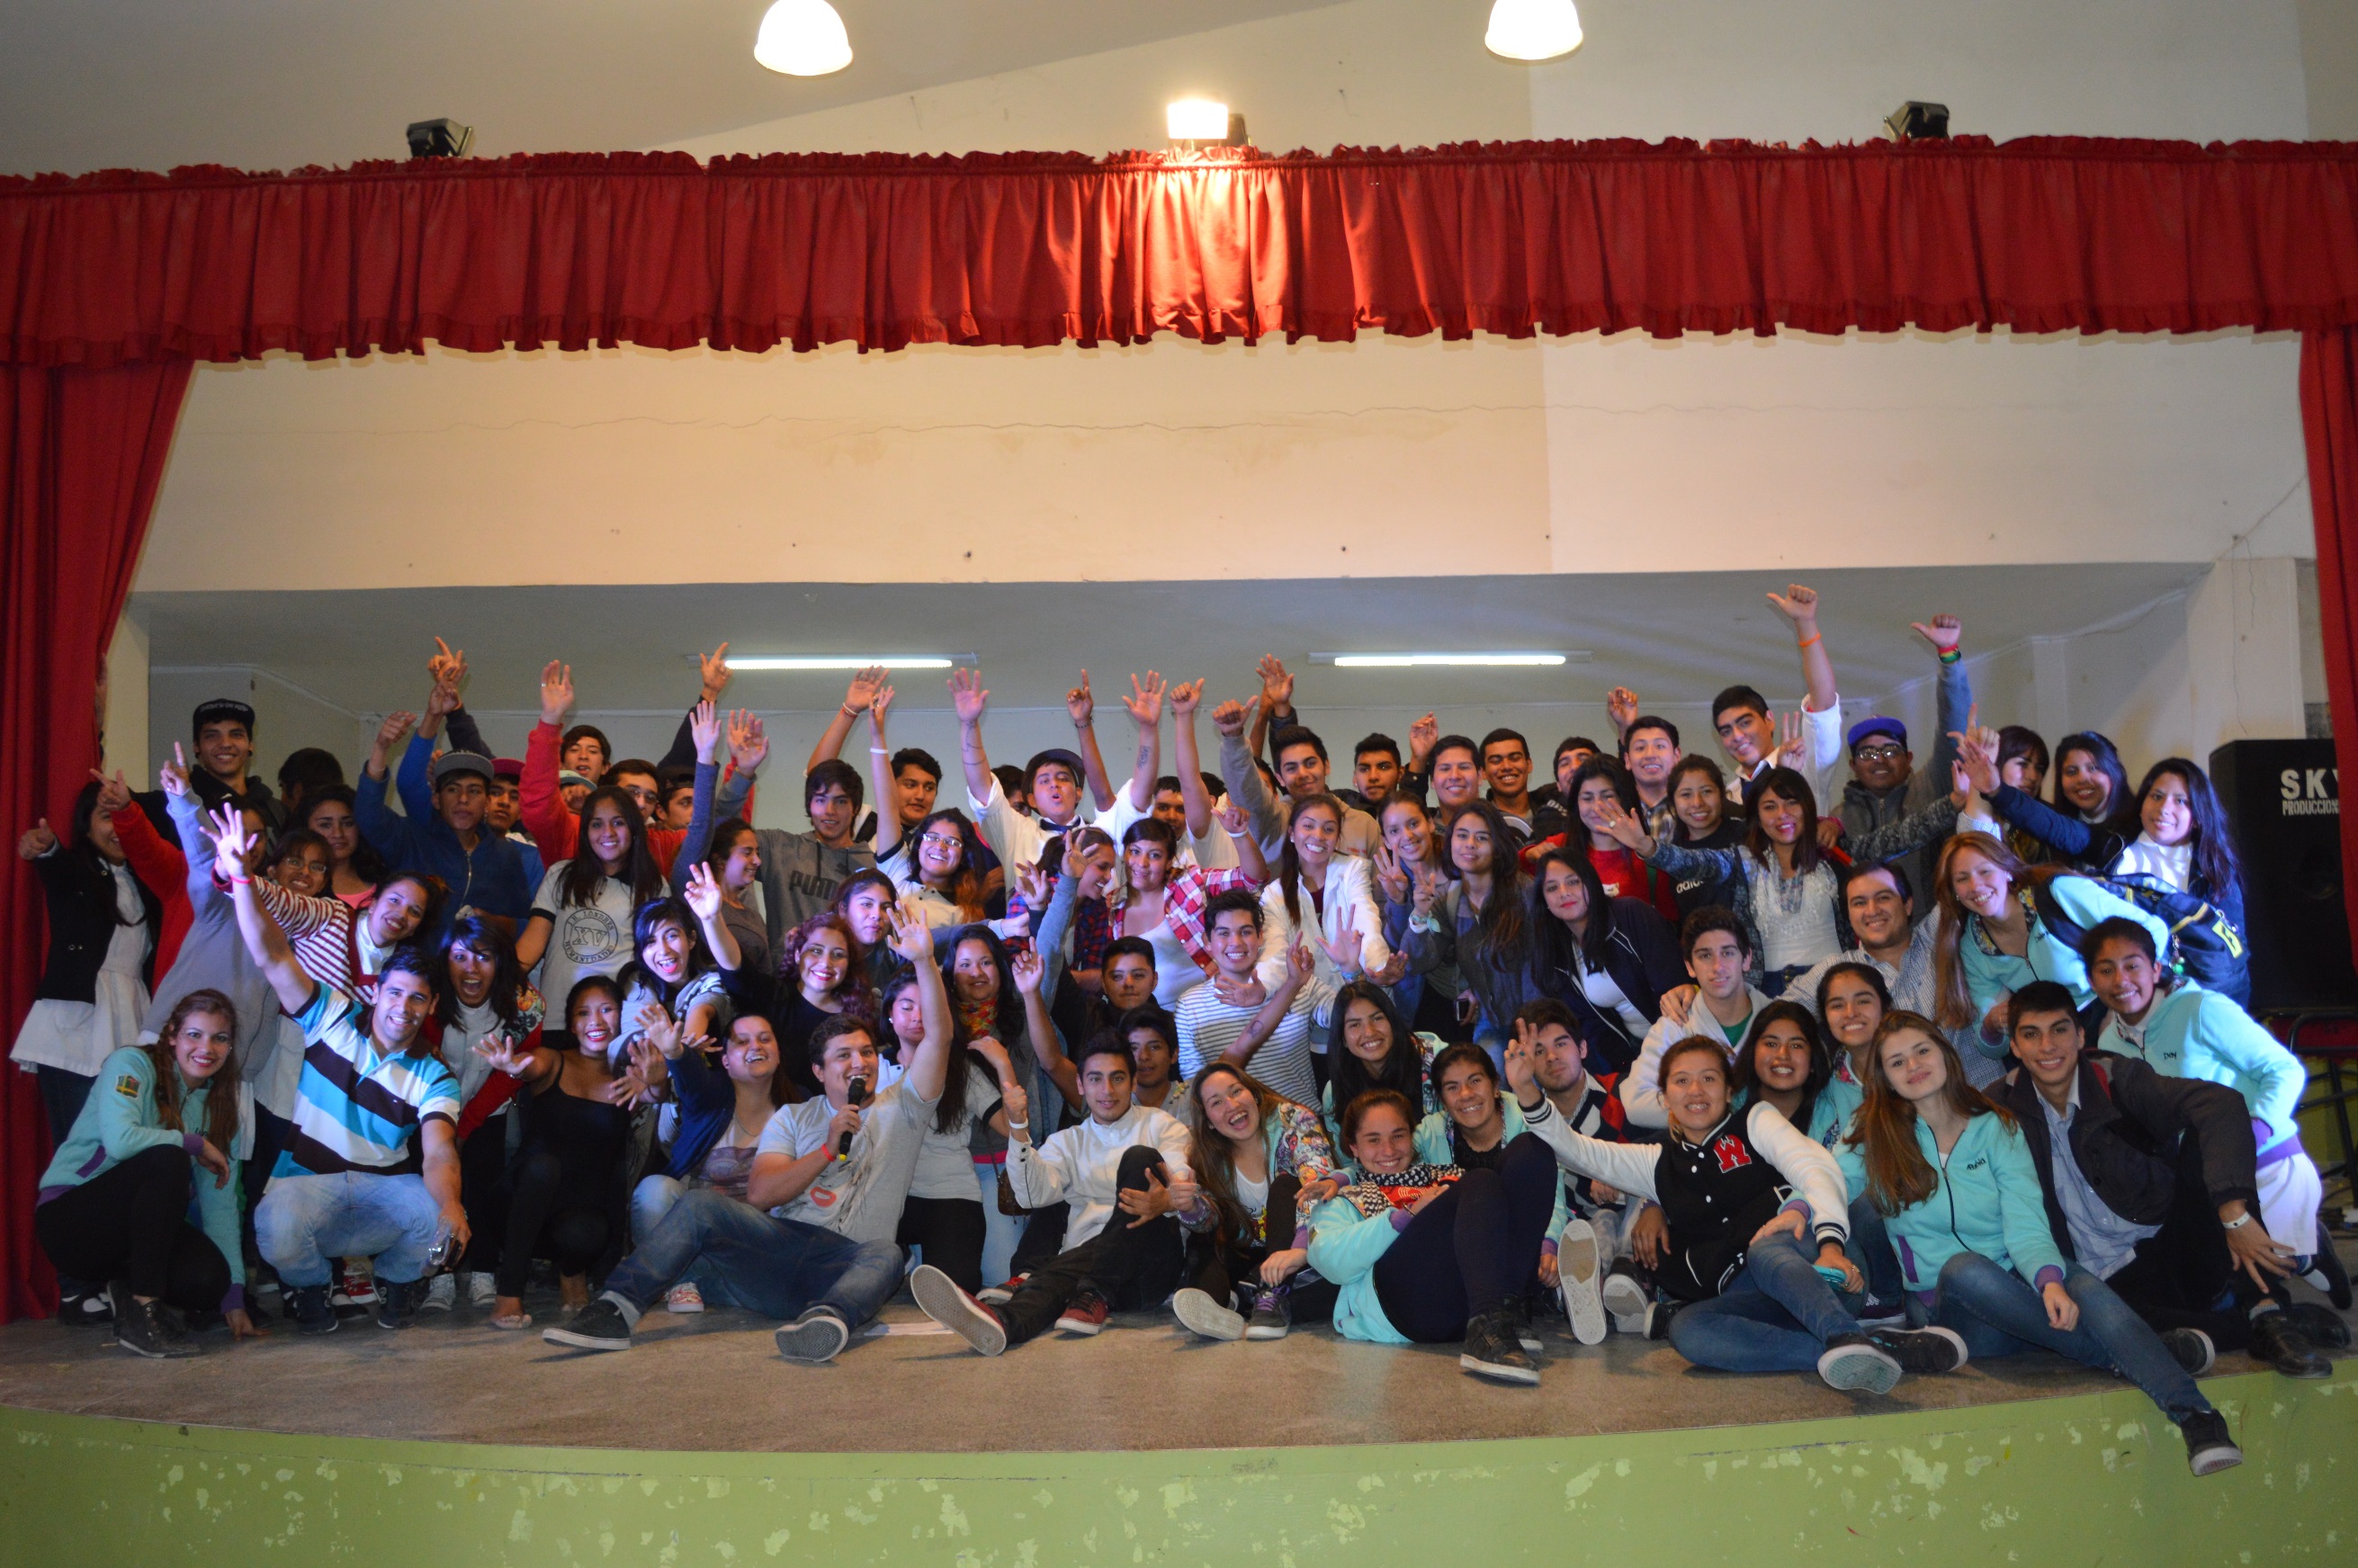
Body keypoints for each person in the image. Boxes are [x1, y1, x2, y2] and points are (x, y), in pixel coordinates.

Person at [1836, 1012, 2244, 1476]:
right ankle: (2139, 1355)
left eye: (1922, 1051)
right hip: (1952, 1315)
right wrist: (1799, 1214)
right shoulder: (1873, 1134)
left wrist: (2049, 1280)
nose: (1913, 1066)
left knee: (2081, 1286)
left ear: (1945, 1053)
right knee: (1963, 1267)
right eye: (1897, 1062)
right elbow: (1826, 1182)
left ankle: (2198, 1416)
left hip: (2018, 1282)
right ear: (1884, 1077)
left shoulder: (1997, 1126)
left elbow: (2027, 1222)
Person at [1510, 1034, 1943, 1393]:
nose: (1696, 1091)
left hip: (1822, 1270)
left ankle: (1842, 1332)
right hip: (1758, 1300)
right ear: (1665, 1097)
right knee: (1688, 1329)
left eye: (1709, 1079)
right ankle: (1863, 1349)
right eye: (1682, 1081)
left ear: (1729, 1090)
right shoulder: (1656, 1162)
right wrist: (1528, 1093)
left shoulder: (1756, 1120)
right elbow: (1578, 1152)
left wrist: (1830, 1243)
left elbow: (1814, 1165)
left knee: (1764, 1250)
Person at [1994, 981, 2345, 1377]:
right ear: (2015, 1046)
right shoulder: (1998, 1112)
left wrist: (2234, 1215)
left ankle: (2265, 1307)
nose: (2047, 1047)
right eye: (2031, 1035)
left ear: (2080, 1035)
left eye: (2059, 1030)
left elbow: (2221, 1104)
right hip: (2104, 1277)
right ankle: (2272, 1322)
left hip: (2173, 1243)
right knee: (2108, 1330)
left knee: (2204, 1136)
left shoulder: (2115, 1077)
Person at [220, 808, 468, 1335]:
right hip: (310, 1184)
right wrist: (241, 878)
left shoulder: (434, 1072)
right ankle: (310, 1287)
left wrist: (453, 1205)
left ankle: (399, 1280)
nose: (404, 1007)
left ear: (431, 1006)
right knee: (275, 1223)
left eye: (417, 999)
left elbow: (440, 1152)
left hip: (381, 1194)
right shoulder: (332, 1016)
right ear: (376, 992)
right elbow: (271, 954)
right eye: (395, 993)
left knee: (437, 1216)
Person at [2080, 918, 2348, 1310]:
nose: (2121, 980)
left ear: (2155, 969)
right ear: (2091, 980)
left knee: (2262, 1273)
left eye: (2132, 965)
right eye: (2106, 970)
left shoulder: (2202, 1009)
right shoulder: (2108, 1041)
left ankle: (2309, 1252)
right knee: (2210, 1284)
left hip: (2265, 1162)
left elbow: (2284, 1069)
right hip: (2197, 1180)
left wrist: (2254, 1131)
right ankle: (2297, 1254)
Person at [910, 1032, 1195, 1352]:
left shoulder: (1162, 1125)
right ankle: (1005, 1322)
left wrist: (1168, 1199)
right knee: (1044, 1177)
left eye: (1117, 1078)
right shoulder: (1067, 1141)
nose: (1107, 1090)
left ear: (1132, 1082)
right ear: (1080, 1085)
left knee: (1139, 1158)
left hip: (1147, 1271)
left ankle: (1036, 1280)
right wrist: (1018, 1126)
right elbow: (1032, 1196)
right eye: (1096, 1079)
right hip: (1082, 1281)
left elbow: (1180, 1179)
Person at [1598, 765, 1959, 993]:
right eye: (1770, 807)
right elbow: (1692, 863)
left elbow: (1903, 835)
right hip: (1766, 991)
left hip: (1837, 984)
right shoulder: (1742, 861)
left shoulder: (1834, 853)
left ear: (1807, 808)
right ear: (1757, 816)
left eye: (1791, 803)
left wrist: (1956, 800)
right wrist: (1644, 844)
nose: (1782, 815)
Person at [34, 991, 254, 1357]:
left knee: (209, 1281)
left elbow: (220, 1205)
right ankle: (143, 1308)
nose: (207, 1048)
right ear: (172, 1035)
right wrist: (194, 1143)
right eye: (194, 1035)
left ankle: (126, 1288)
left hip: (130, 1237)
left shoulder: (219, 1106)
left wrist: (234, 1299)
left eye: (220, 1038)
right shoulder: (131, 1064)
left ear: (230, 1047)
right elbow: (121, 1141)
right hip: (71, 1221)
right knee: (168, 1158)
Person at [1299, 1088, 1556, 1384]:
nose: (1388, 1150)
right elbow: (1331, 1263)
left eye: (1398, 1135)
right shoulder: (1340, 1196)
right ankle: (1486, 1326)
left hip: (1461, 1304)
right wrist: (1404, 1217)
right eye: (1374, 1140)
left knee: (1531, 1150)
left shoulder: (1448, 1175)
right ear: (1354, 1147)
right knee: (1481, 1180)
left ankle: (1504, 1310)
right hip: (1399, 1310)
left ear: (1412, 1137)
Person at [1965, 749, 2250, 1004]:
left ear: (2198, 816)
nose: (2164, 808)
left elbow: (2232, 960)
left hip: (2187, 998)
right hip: (2113, 994)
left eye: (2181, 801)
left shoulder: (2215, 874)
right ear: (2143, 801)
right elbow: (2055, 827)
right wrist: (1996, 790)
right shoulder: (2114, 845)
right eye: (2157, 796)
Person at [469, 975, 637, 1330]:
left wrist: (657, 1075)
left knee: (591, 1231)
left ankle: (570, 1271)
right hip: (515, 1205)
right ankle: (508, 1293)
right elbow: (532, 1064)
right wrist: (513, 1066)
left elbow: (657, 1093)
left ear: (622, 1017)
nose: (596, 1021)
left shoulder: (628, 1077)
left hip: (568, 1217)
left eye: (607, 1010)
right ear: (572, 1025)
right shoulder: (554, 1059)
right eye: (583, 1013)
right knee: (544, 1166)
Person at [1929, 830, 2170, 1057]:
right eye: (1962, 879)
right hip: (2058, 1042)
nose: (1975, 886)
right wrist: (1992, 1025)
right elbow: (1992, 1050)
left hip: (2118, 1013)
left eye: (1985, 871)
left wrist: (2115, 1007)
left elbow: (2154, 931)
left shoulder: (2058, 892)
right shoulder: (1972, 947)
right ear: (1954, 892)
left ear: (2007, 871)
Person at [13, 778, 161, 1142]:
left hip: (132, 1016)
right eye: (106, 817)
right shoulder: (78, 872)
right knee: (77, 1149)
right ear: (86, 825)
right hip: (75, 1025)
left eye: (124, 817)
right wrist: (46, 848)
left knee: (122, 1146)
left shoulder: (147, 881)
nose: (117, 828)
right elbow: (57, 868)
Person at [419, 914, 543, 1313]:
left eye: (484, 957)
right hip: (430, 1106)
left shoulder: (526, 1005)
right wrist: (446, 1127)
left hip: (488, 1110)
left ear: (500, 963)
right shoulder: (429, 997)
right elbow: (423, 1059)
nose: (471, 968)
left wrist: (467, 1126)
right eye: (460, 956)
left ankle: (484, 1269)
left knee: (484, 1186)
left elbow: (511, 1075)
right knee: (434, 1187)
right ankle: (439, 1275)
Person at [1169, 1062, 1340, 1341]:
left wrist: (1299, 1249)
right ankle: (1218, 1304)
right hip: (1245, 1251)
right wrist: (1190, 1207)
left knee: (1286, 1185)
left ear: (1254, 1094)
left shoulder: (1293, 1120)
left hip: (1296, 1245)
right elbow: (1210, 1220)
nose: (1232, 1105)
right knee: (1204, 1235)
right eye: (1216, 1102)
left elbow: (1317, 1185)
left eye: (1236, 1091)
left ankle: (1271, 1293)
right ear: (1209, 1120)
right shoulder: (1206, 1153)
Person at [1828, 612, 1971, 903]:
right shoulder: (1838, 820)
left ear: (1908, 758)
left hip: (1937, 926)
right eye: (1867, 753)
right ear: (1853, 766)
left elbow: (1953, 726)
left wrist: (1949, 657)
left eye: (1890, 750)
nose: (1879, 759)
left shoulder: (1932, 787)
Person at [356, 695, 533, 928]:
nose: (463, 799)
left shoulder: (506, 855)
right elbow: (368, 814)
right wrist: (381, 748)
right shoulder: (413, 837)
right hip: (412, 953)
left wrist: (493, 923)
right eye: (452, 789)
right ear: (436, 799)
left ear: (487, 802)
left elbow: (523, 920)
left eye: (474, 791)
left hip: (476, 953)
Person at [1521, 847, 1685, 1075]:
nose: (1564, 893)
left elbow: (1673, 990)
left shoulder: (1632, 914)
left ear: (1590, 882)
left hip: (1680, 1034)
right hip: (1636, 1054)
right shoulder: (1557, 953)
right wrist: (1627, 1072)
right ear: (1544, 900)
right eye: (1552, 888)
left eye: (1573, 882)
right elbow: (1592, 1029)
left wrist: (1662, 1058)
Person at [517, 784, 665, 1020]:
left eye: (618, 822)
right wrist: (501, 981)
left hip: (620, 1020)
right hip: (558, 1015)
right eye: (597, 824)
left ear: (634, 828)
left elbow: (659, 957)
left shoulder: (653, 885)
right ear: (585, 831)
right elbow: (534, 939)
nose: (608, 832)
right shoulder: (561, 875)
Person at [1621, 908, 1773, 1129]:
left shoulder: (1776, 1020)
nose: (1717, 967)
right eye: (1705, 955)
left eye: (1728, 953)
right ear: (1689, 966)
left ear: (1747, 959)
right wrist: (1711, 1110)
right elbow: (1636, 1104)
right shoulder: (1674, 1026)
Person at [1399, 799, 1529, 1053]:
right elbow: (1417, 962)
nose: (1470, 844)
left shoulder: (1525, 892)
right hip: (1491, 1021)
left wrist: (1533, 1029)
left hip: (1534, 1019)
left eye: (1482, 837)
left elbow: (1537, 973)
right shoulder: (1449, 897)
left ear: (1498, 846)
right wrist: (1420, 913)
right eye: (1462, 835)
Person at [1254, 793, 1388, 1038]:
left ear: (1337, 837)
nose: (1318, 836)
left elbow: (1366, 918)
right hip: (1312, 1020)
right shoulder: (1274, 894)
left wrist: (1377, 966)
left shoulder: (1352, 870)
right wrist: (1260, 987)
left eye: (1328, 829)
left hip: (1366, 1005)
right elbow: (1275, 953)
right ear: (1292, 833)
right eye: (1308, 826)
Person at [1174, 892, 1322, 1105]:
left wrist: (1349, 969)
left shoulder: (1297, 980)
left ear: (1260, 936)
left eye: (1245, 932)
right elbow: (1195, 1089)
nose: (1236, 942)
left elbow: (1344, 1017)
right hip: (1234, 1120)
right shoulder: (1190, 1006)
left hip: (1303, 1118)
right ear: (1207, 941)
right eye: (1224, 933)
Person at [1523, 757, 1680, 922]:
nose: (1597, 807)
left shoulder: (1650, 854)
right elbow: (1512, 871)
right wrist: (1530, 856)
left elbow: (1669, 922)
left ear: (1624, 798)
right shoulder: (1561, 846)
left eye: (1607, 796)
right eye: (1587, 798)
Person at [1318, 979, 1446, 1146]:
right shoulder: (1336, 1092)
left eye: (1377, 1018)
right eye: (1355, 1024)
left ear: (1392, 1022)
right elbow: (1346, 1154)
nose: (1369, 1032)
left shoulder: (1436, 1061)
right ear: (1343, 1039)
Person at [137, 698, 287, 839]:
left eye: (236, 735)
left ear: (251, 745)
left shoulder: (277, 811)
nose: (225, 744)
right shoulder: (167, 804)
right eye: (212, 736)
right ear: (196, 746)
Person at [300, 784, 390, 907]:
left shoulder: (385, 879)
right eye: (325, 825)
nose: (338, 834)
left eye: (348, 823)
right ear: (306, 829)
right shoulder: (298, 882)